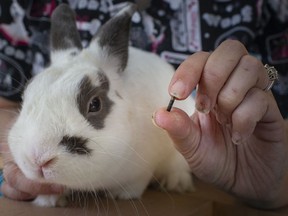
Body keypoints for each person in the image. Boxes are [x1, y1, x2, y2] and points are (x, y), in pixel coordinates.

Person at [0, 0, 288, 209]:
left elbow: (156, 139)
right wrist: (12, 169)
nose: (42, 157)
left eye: (94, 105)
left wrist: (275, 185)